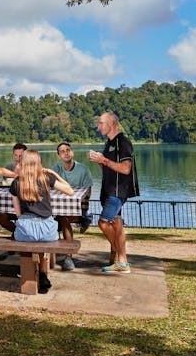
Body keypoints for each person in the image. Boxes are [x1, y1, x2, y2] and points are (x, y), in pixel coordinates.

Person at [9, 150, 74, 294]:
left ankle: (34, 273)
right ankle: (43, 274)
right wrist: (54, 173)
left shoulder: (16, 182)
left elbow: (18, 214)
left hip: (26, 230)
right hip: (47, 230)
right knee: (43, 241)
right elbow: (70, 191)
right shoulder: (46, 178)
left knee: (28, 237)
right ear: (38, 163)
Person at [88, 112, 138, 274]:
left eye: (101, 123)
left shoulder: (123, 143)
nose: (98, 127)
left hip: (118, 191)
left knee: (103, 223)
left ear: (112, 123)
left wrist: (103, 160)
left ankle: (122, 258)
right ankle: (122, 262)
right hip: (108, 189)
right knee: (116, 224)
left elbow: (125, 169)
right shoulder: (109, 143)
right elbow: (109, 167)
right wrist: (99, 161)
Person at [53, 141, 94, 271]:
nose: (66, 153)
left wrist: (82, 206)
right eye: (62, 151)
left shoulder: (83, 169)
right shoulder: (56, 169)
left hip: (79, 207)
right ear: (59, 155)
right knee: (49, 217)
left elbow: (88, 191)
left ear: (72, 152)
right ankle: (52, 251)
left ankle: (68, 256)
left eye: (68, 150)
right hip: (58, 206)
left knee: (63, 218)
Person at [0, 143, 28, 234]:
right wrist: (0, 183)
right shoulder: (9, 167)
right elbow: (7, 185)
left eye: (21, 156)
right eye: (16, 155)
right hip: (10, 202)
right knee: (0, 217)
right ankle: (19, 232)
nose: (18, 158)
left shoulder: (31, 167)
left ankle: (24, 233)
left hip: (27, 203)